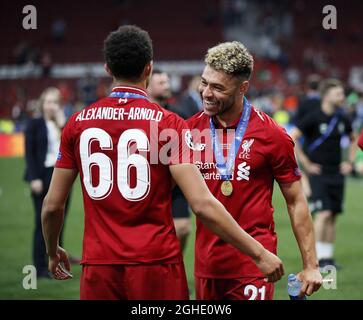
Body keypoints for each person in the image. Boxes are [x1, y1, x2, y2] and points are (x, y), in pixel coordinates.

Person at [41, 25, 284, 300]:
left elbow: (52, 206)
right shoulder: (168, 125)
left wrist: (52, 251)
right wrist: (259, 253)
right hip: (156, 264)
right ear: (149, 68)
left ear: (107, 68)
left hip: (100, 265)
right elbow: (202, 204)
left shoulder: (77, 123)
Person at [187, 41, 322, 300]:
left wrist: (311, 265)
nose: (206, 93)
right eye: (204, 83)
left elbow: (295, 201)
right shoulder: (188, 131)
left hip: (254, 265)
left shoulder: (272, 135)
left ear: (243, 88)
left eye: (218, 87)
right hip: (206, 267)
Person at [291, 79, 357, 269]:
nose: (342, 97)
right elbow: (293, 136)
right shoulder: (313, 117)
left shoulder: (342, 117)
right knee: (324, 213)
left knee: (333, 214)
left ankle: (327, 258)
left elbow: (354, 139)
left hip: (337, 172)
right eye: (338, 94)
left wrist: (349, 162)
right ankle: (317, 259)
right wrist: (306, 163)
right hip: (318, 173)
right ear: (327, 96)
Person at [24, 87, 77, 279]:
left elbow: (70, 147)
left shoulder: (63, 124)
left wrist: (62, 123)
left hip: (61, 174)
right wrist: (34, 177)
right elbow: (29, 153)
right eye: (48, 102)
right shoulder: (34, 124)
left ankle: (58, 260)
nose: (52, 106)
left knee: (59, 221)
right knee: (42, 222)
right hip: (42, 175)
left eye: (55, 102)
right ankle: (39, 267)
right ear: (42, 104)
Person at [147, 69, 191, 251]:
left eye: (167, 82)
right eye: (161, 83)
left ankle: (174, 264)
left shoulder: (180, 115)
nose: (167, 86)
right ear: (147, 87)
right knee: (150, 233)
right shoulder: (139, 115)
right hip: (149, 183)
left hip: (176, 180)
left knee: (182, 228)